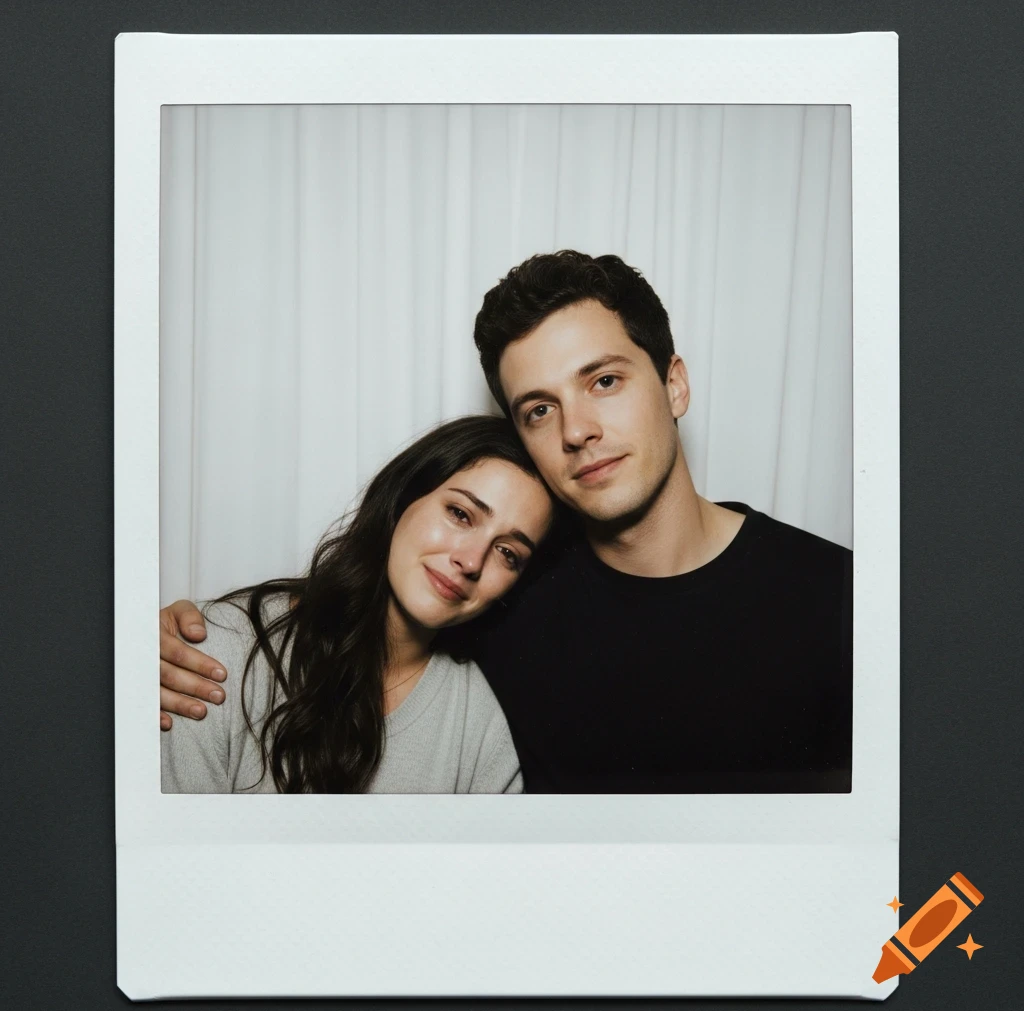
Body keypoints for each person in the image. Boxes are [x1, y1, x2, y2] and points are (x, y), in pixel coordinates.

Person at [160, 251, 852, 794]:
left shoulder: (840, 600)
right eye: (539, 409)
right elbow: (349, 628)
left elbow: (930, 847)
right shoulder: (503, 602)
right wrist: (163, 645)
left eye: (604, 381)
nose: (578, 429)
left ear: (674, 383)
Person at [159, 415, 555, 794]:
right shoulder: (217, 653)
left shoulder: (481, 724)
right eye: (459, 514)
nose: (471, 561)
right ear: (403, 497)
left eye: (507, 552)